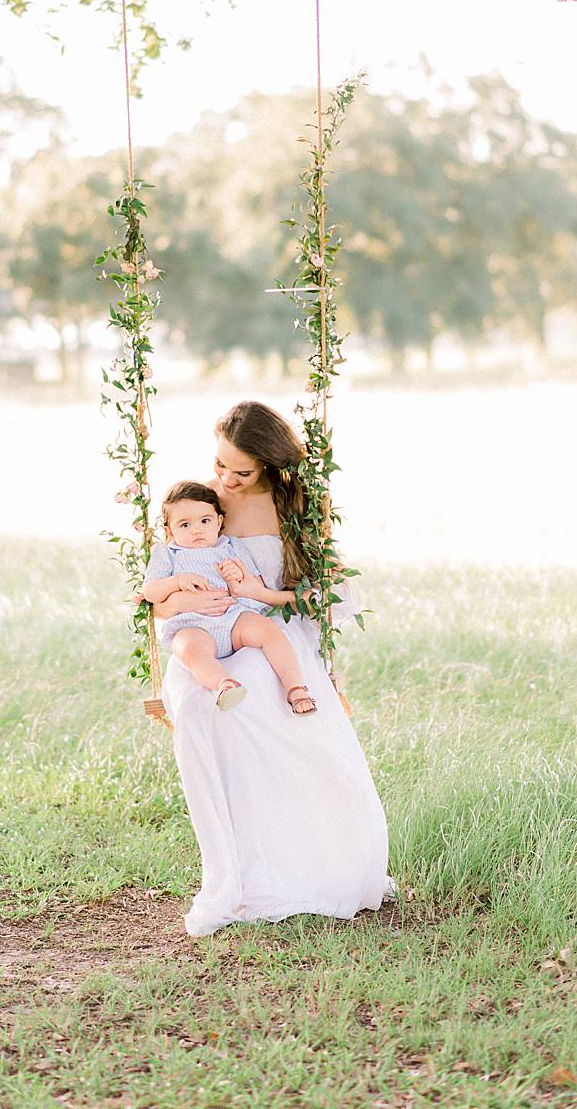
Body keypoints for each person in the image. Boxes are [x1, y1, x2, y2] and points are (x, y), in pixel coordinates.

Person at [145, 400, 389, 937]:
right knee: (202, 705)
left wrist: (262, 595)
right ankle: (237, 869)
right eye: (220, 465)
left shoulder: (297, 506)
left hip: (274, 626)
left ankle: (312, 865)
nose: (226, 480)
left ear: (272, 467)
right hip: (207, 632)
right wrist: (184, 602)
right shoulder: (204, 507)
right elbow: (157, 602)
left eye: (242, 471)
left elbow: (326, 595)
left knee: (265, 693)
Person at [143, 480, 317, 715]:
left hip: (236, 618)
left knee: (269, 631)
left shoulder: (231, 546)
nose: (196, 530)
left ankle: (296, 688)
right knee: (186, 647)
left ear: (219, 522)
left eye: (205, 521)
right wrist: (176, 581)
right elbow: (150, 591)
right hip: (194, 625)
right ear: (169, 530)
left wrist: (237, 575)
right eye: (184, 524)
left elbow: (256, 585)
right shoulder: (167, 553)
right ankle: (224, 685)